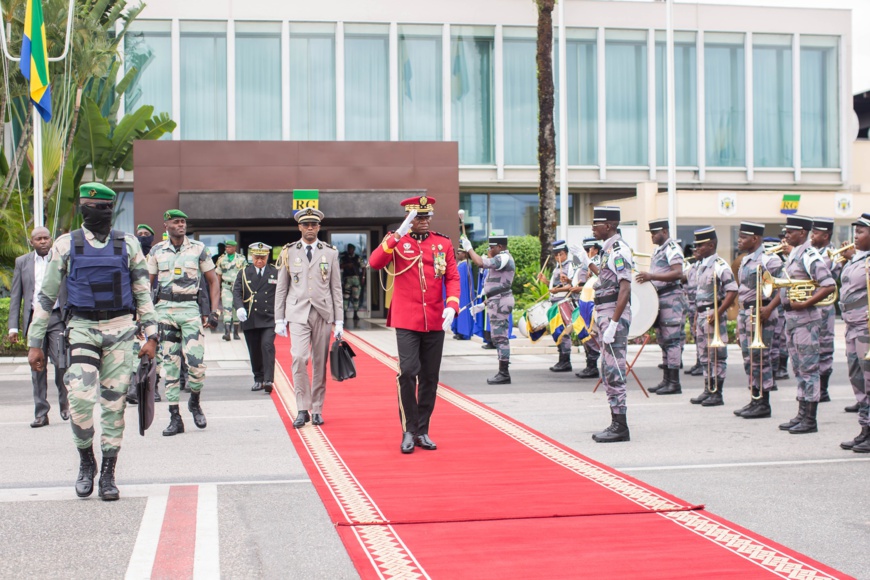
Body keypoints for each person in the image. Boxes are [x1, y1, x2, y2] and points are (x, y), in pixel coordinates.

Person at [27, 182, 158, 501]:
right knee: (80, 402)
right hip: (82, 328)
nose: (96, 213)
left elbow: (142, 292)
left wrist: (152, 335)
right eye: (90, 207)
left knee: (114, 406)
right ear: (82, 209)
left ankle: (109, 474)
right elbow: (45, 297)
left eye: (102, 208)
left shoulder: (128, 244)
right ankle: (87, 461)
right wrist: (35, 341)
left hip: (121, 330)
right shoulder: (65, 245)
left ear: (111, 211)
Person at [369, 196, 460, 453]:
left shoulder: (442, 243)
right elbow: (375, 262)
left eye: (426, 216)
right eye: (418, 217)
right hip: (407, 319)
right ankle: (408, 429)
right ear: (409, 218)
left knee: (430, 377)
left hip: (435, 318)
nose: (424, 221)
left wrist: (452, 306)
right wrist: (399, 232)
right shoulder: (397, 241)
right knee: (408, 372)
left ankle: (423, 430)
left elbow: (452, 276)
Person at [148, 209, 221, 437]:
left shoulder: (199, 249)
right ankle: (174, 417)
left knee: (196, 364)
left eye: (183, 222)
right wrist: (145, 317)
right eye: (176, 222)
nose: (181, 225)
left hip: (190, 310)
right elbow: (146, 284)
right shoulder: (157, 251)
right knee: (169, 366)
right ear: (166, 224)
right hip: (164, 312)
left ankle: (194, 402)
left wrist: (214, 311)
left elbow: (213, 281)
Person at [274, 208, 343, 428]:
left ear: (319, 227)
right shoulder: (288, 252)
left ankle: (318, 409)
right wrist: (279, 318)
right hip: (297, 313)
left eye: (314, 224)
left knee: (320, 362)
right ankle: (302, 408)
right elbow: (282, 288)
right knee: (299, 358)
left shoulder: (330, 253)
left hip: (323, 312)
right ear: (299, 227)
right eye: (306, 224)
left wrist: (339, 320)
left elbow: (336, 288)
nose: (310, 228)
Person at [776, 215, 836, 434]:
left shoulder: (809, 255)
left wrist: (805, 303)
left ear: (802, 233)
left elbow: (828, 285)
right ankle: (801, 413)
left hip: (805, 321)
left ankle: (810, 419)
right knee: (799, 368)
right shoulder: (795, 253)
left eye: (790, 232)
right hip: (793, 320)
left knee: (809, 369)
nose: (786, 235)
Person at [9, 227, 69, 427]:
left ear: (51, 240)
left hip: (57, 319)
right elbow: (16, 296)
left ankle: (65, 404)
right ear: (31, 242)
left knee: (62, 363)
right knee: (37, 367)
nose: (43, 241)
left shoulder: (60, 258)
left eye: (46, 238)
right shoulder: (22, 262)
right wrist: (13, 328)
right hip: (35, 321)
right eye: (38, 239)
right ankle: (41, 413)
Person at [590, 207, 633, 443]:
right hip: (605, 313)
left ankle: (620, 426)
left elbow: (625, 288)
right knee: (607, 370)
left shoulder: (619, 250)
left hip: (613, 315)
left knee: (614, 370)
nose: (592, 228)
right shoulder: (607, 250)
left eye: (596, 224)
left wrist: (614, 323)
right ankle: (615, 421)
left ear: (608, 226)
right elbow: (607, 281)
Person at [732, 222, 783, 419]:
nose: (739, 240)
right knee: (749, 359)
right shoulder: (745, 260)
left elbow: (782, 289)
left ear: (755, 238)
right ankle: (755, 398)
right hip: (746, 314)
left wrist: (769, 308)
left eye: (743, 237)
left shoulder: (771, 260)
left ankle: (764, 403)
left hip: (762, 312)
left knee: (761, 359)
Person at [689, 227, 738, 407]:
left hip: (713, 314)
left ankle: (717, 393)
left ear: (711, 245)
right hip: (702, 314)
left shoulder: (719, 264)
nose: (697, 248)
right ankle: (708, 388)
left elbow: (732, 290)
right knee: (704, 355)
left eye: (700, 245)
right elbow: (699, 295)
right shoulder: (701, 265)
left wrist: (718, 312)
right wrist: (696, 318)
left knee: (716, 355)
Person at [636, 218, 685, 395]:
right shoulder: (659, 250)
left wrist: (652, 276)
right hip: (661, 299)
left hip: (671, 298)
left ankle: (674, 382)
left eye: (655, 233)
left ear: (664, 232)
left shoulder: (672, 248)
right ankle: (666, 380)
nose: (652, 236)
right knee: (664, 341)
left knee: (672, 341)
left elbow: (678, 273)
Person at [836, 214, 870, 452]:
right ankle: (865, 428)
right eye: (855, 232)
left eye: (860, 232)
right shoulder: (858, 259)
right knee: (858, 379)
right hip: (852, 327)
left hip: (867, 328)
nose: (855, 237)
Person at [462, 235, 515, 384]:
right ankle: (503, 370)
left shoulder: (504, 258)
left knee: (500, 337)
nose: (489, 250)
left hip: (500, 302)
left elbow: (480, 263)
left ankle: (504, 373)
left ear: (500, 246)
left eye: (492, 247)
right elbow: (497, 286)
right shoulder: (501, 259)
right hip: (496, 300)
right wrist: (483, 304)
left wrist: (469, 248)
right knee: (498, 337)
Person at [234, 243, 278, 394]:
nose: (259, 260)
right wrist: (239, 307)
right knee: (254, 349)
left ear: (267, 257)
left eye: (263, 257)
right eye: (256, 257)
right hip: (251, 317)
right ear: (251, 256)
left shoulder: (275, 272)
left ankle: (268, 379)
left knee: (267, 345)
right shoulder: (244, 272)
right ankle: (258, 379)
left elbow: (281, 294)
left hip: (269, 317)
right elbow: (237, 291)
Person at [811, 218, 841, 403]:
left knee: (825, 346)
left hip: (824, 307)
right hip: (808, 306)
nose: (812, 236)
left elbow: (828, 275)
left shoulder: (834, 255)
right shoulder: (809, 252)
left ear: (826, 235)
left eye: (815, 233)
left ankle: (823, 389)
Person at [545, 240, 575, 373]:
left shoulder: (570, 266)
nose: (558, 257)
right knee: (557, 331)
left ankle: (565, 360)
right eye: (556, 254)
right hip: (555, 302)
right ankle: (561, 359)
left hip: (563, 302)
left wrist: (558, 290)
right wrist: (545, 282)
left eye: (560, 254)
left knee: (563, 332)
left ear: (566, 254)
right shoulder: (557, 267)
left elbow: (571, 286)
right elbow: (555, 287)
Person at [574, 237, 601, 379]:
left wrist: (574, 287)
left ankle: (593, 365)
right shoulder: (587, 264)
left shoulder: (597, 262)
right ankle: (591, 365)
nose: (585, 253)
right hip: (585, 302)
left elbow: (592, 283)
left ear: (595, 250)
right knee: (586, 334)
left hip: (593, 304)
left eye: (587, 250)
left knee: (591, 335)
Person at [215, 240, 245, 341]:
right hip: (226, 287)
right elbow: (218, 275)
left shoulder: (241, 259)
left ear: (235, 248)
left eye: (230, 247)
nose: (228, 249)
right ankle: (227, 332)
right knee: (226, 308)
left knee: (237, 308)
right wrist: (217, 290)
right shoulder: (222, 259)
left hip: (237, 287)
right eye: (226, 247)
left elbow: (245, 274)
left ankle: (236, 333)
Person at [452, 248, 475, 340]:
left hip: (464, 292)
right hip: (458, 291)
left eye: (459, 253)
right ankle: (458, 331)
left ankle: (464, 332)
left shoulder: (466, 264)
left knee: (463, 311)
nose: (457, 254)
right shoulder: (460, 264)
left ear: (465, 254)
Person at [340, 243, 363, 321]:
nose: (350, 250)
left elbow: (363, 267)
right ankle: (344, 314)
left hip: (356, 279)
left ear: (354, 249)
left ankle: (355, 314)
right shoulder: (344, 258)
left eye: (351, 248)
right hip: (347, 279)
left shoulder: (358, 257)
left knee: (356, 297)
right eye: (349, 248)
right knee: (346, 297)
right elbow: (339, 266)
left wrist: (363, 277)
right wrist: (347, 265)